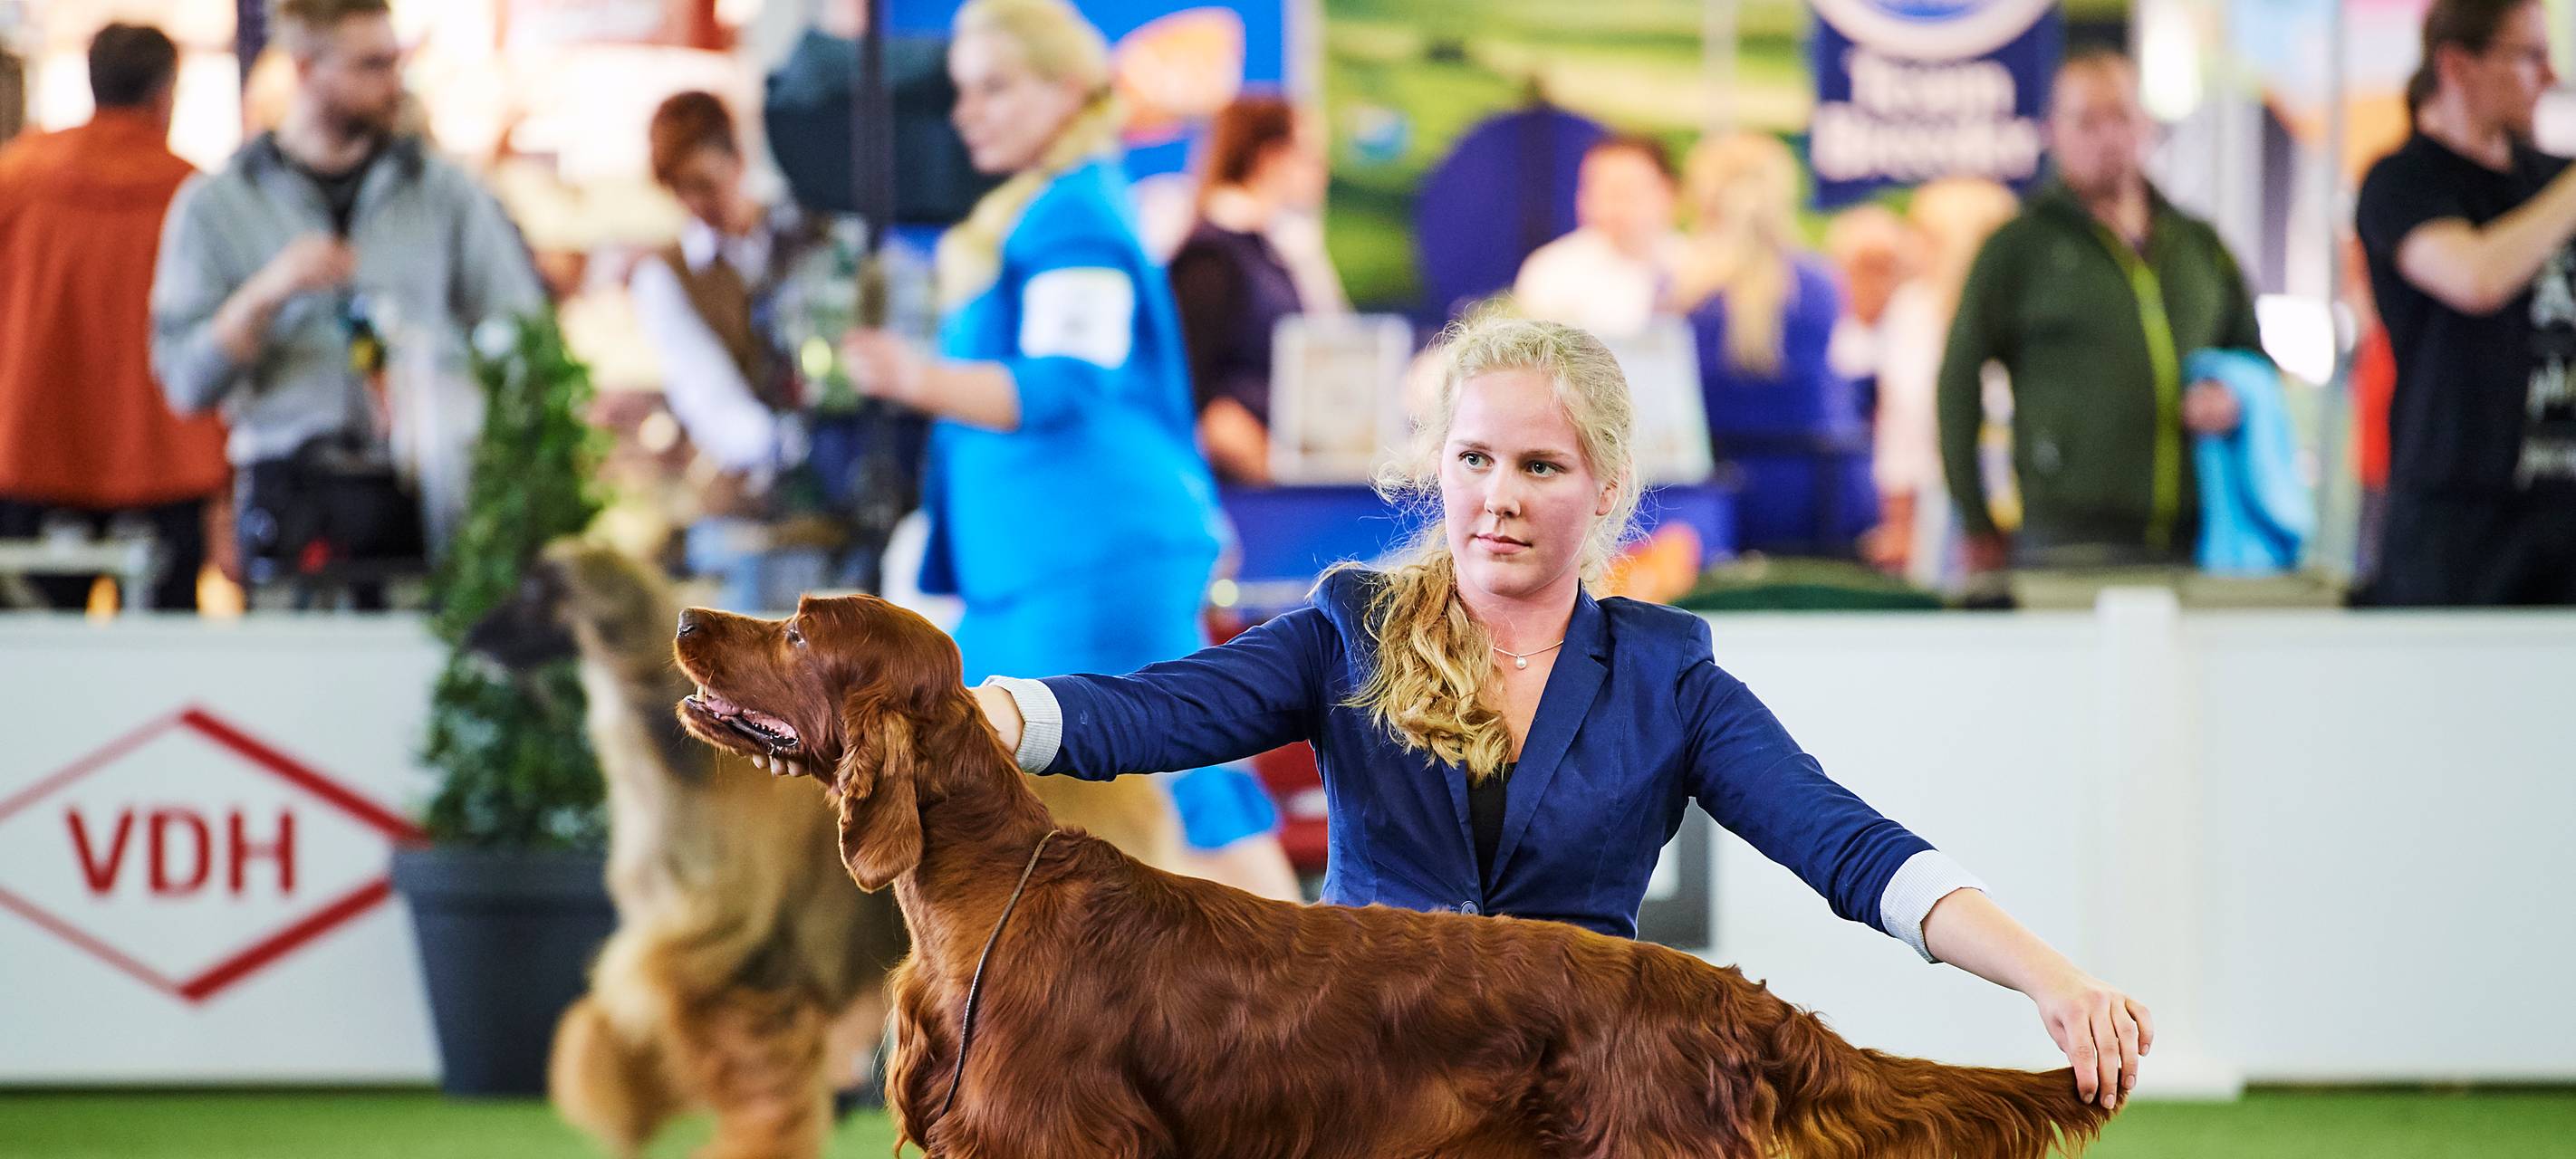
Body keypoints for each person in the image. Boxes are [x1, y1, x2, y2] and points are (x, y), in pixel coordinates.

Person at [971, 313, 2154, 1113]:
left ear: (1607, 490)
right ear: (1438, 467)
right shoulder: (1350, 626)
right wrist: (987, 715)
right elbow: (1161, 710)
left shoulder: (1667, 674)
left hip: (1585, 1086)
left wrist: (2053, 979)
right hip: (1365, 1082)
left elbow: (1844, 843)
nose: (1498, 497)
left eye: (1540, 467)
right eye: (1474, 459)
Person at [839, 0, 1298, 900]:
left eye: (995, 88)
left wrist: (913, 376)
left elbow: (1065, 382)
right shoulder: (1049, 211)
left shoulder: (1074, 218)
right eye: (963, 91)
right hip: (1044, 570)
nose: (968, 113)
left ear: (1067, 91)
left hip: (1091, 570)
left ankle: (1318, 984)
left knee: (1173, 789)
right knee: (1134, 792)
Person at [153, 0, 543, 608]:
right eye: (371, 65)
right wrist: (264, 294)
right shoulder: (217, 204)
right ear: (306, 68)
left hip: (429, 501)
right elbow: (184, 381)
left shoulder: (445, 193)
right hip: (290, 500)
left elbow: (523, 332)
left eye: (395, 61)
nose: (394, 82)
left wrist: (443, 383)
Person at [1936, 50, 2264, 575]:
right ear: (2053, 131)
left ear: (2147, 125)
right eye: (2087, 121)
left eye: (2122, 117)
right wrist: (1975, 519)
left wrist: (2232, 394)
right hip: (2063, 541)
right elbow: (1957, 379)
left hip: (2197, 540)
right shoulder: (2018, 247)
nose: (2108, 137)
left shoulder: (2200, 246)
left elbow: (2253, 356)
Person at [2355, 0, 2576, 605]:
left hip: (2561, 525)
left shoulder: (2551, 180)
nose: (2549, 76)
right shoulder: (2402, 182)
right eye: (2529, 56)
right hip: (2454, 534)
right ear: (2458, 65)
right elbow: (2476, 278)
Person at [0, 24, 227, 610]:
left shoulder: (18, 180)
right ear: (165, 95)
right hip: (166, 461)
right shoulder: (196, 196)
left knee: (33, 646)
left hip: (35, 451)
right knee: (164, 652)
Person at [1671, 131, 1862, 552]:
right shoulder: (1821, 284)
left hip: (1710, 509)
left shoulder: (1679, 292)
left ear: (1705, 200)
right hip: (1818, 501)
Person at [1168, 94, 1331, 485]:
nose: (1323, 170)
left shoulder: (1270, 252)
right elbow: (1196, 395)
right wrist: (1273, 477)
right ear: (1269, 157)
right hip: (1240, 493)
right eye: (1310, 155)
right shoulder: (1209, 259)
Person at [1868, 177, 2020, 580]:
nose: (1909, 246)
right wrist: (1899, 525)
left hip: (2020, 498)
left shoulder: (2017, 311)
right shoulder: (1911, 310)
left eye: (1924, 235)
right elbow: (1898, 431)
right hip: (1940, 499)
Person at [1512, 133, 1684, 340]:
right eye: (1597, 191)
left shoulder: (1692, 264)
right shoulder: (1552, 271)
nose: (1610, 206)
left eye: (1625, 192)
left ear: (1668, 192)